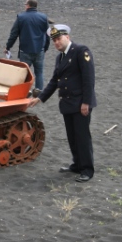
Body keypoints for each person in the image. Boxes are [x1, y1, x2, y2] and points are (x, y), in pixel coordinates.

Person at [28, 24, 97, 182]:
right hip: (67, 103)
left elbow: (88, 79)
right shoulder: (60, 57)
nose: (56, 43)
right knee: (72, 136)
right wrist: (40, 98)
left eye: (59, 39)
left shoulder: (81, 51)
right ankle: (77, 164)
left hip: (80, 103)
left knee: (82, 137)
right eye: (54, 41)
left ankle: (87, 169)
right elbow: (54, 81)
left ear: (68, 37)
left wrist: (86, 102)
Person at [4, 0, 50, 92]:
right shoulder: (43, 17)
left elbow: (14, 34)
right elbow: (48, 34)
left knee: (24, 73)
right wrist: (45, 47)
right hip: (39, 50)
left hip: (25, 50)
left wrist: (8, 47)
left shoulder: (21, 17)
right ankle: (38, 91)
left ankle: (25, 91)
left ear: (28, 6)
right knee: (39, 73)